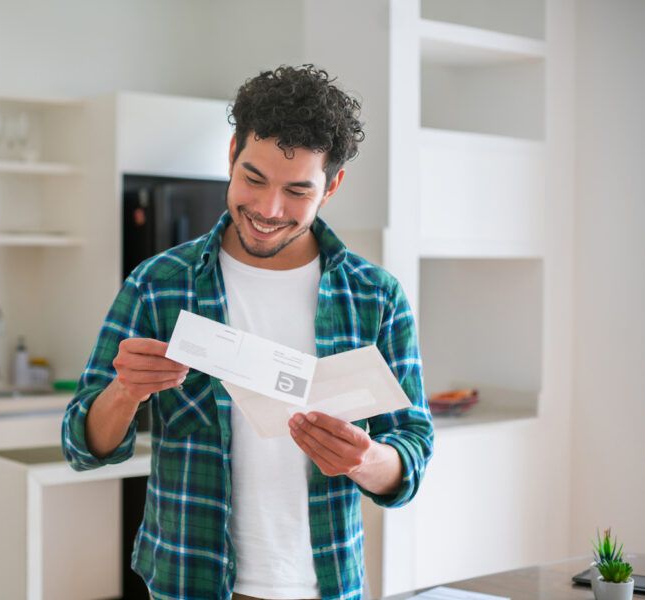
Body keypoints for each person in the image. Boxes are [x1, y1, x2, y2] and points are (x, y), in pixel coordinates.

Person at [62, 64, 434, 600]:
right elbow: (81, 445)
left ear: (332, 186)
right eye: (253, 179)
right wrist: (126, 391)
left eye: (297, 192)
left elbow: (413, 450)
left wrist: (366, 459)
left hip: (326, 585)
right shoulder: (159, 284)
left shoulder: (376, 296)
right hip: (189, 582)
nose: (267, 209)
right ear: (232, 152)